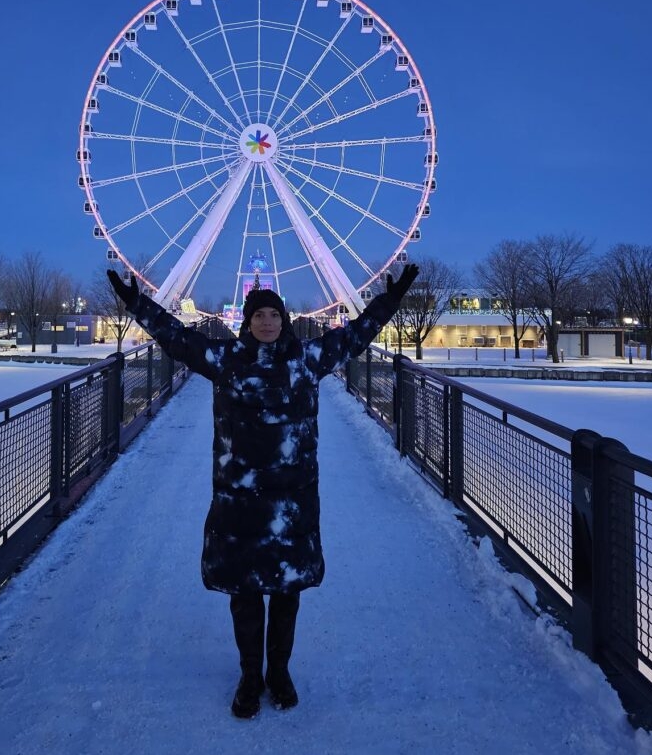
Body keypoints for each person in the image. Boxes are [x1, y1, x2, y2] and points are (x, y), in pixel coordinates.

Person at [106, 264, 419, 718]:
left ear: (284, 320)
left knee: (286, 595)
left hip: (291, 502)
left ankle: (279, 672)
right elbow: (175, 338)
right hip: (242, 503)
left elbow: (356, 336)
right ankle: (251, 675)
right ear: (247, 322)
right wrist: (136, 303)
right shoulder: (226, 361)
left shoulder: (307, 361)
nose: (267, 322)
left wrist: (389, 302)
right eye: (259, 315)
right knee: (246, 596)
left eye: (273, 314)